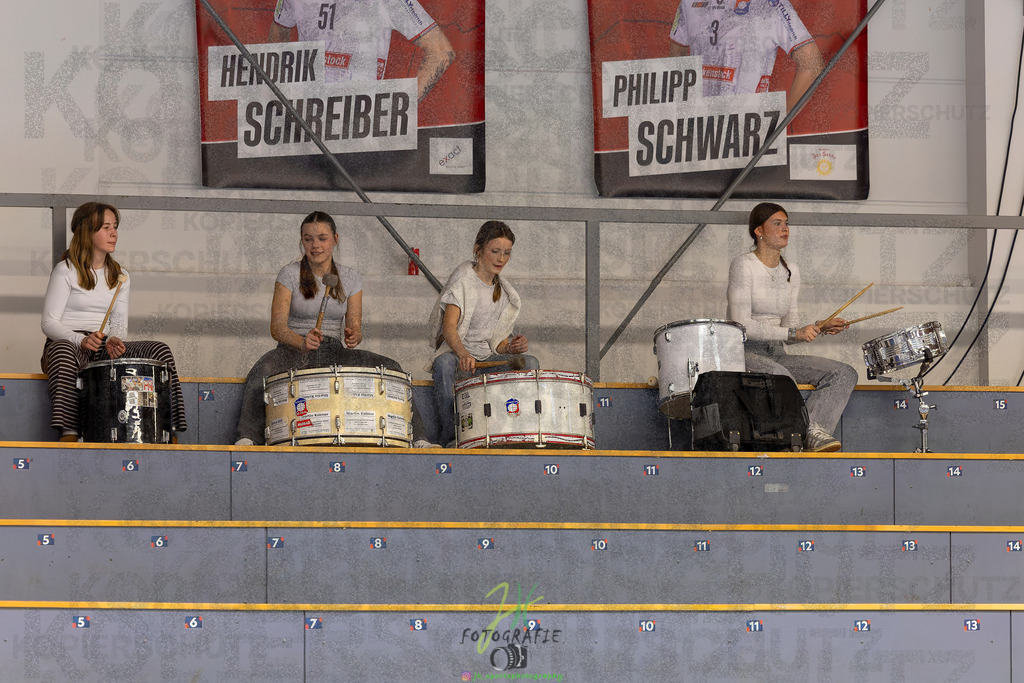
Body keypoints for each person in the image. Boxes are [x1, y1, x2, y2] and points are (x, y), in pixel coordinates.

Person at [234, 210, 434, 447]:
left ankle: (419, 438)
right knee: (262, 369)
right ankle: (247, 437)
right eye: (308, 239)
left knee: (392, 368)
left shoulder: (350, 278)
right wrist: (301, 341)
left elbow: (354, 327)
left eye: (322, 238)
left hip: (334, 351)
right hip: (293, 351)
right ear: (301, 241)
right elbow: (277, 327)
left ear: (335, 240)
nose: (315, 245)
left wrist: (354, 335)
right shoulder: (289, 274)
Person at [40, 202, 188, 442]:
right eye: (106, 227)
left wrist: (116, 340)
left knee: (159, 350)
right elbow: (48, 322)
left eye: (115, 227)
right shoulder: (65, 270)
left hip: (102, 346)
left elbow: (118, 322)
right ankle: (69, 431)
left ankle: (167, 426)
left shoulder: (121, 275)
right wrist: (81, 339)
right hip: (69, 344)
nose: (114, 233)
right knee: (64, 350)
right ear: (87, 231)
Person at [726, 202, 857, 452]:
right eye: (777, 223)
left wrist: (818, 326)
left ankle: (813, 431)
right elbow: (741, 325)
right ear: (758, 231)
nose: (785, 228)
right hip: (743, 353)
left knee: (844, 373)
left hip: (776, 352)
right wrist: (792, 332)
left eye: (786, 223)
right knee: (782, 378)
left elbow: (791, 329)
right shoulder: (743, 265)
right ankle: (796, 433)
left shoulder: (791, 271)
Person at [427, 221, 540, 448]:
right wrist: (463, 354)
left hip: (486, 359)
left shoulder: (504, 291)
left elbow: (496, 343)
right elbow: (449, 329)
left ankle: (518, 431)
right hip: (459, 356)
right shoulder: (462, 283)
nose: (501, 259)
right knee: (443, 365)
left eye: (506, 253)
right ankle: (450, 436)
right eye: (495, 251)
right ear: (478, 250)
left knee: (530, 362)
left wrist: (510, 347)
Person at [269, 0, 455, 101]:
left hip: (359, 127)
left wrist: (400, 109)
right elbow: (278, 32)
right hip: (303, 124)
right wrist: (284, 91)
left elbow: (441, 52)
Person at [668, 0, 824, 112]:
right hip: (694, 131)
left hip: (746, 135)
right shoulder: (689, 3)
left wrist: (780, 123)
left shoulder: (772, 5)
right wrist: (680, 109)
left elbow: (812, 63)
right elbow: (677, 50)